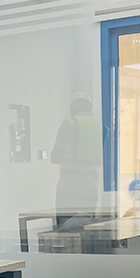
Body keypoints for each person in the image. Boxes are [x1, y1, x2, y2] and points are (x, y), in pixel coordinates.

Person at [51, 92, 102, 228]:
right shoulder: (100, 127)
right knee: (86, 228)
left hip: (69, 189)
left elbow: (55, 156)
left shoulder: (69, 124)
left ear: (72, 108)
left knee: (65, 230)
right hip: (91, 189)